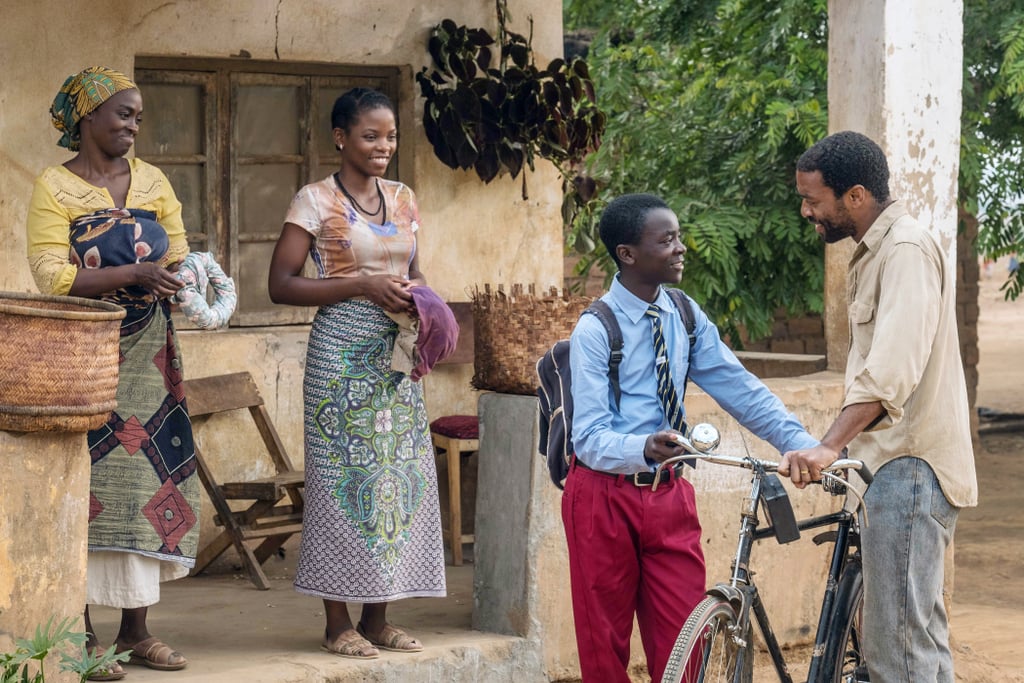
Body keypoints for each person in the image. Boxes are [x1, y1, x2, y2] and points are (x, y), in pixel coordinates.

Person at [565, 193, 819, 682]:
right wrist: (640, 447)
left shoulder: (683, 313)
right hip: (603, 496)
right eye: (667, 240)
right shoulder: (596, 330)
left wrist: (801, 442)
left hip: (670, 493)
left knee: (686, 640)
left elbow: (740, 389)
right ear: (628, 253)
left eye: (679, 236)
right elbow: (590, 437)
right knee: (604, 646)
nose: (681, 248)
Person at [780, 130, 978, 683]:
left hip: (909, 468)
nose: (805, 211)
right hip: (891, 468)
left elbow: (891, 370)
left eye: (814, 200)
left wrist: (828, 445)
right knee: (915, 641)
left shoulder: (906, 250)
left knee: (897, 654)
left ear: (856, 196)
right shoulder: (876, 252)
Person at [26, 66, 198, 680]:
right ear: (89, 116)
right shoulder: (55, 185)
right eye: (124, 114)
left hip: (151, 356)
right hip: (84, 353)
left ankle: (138, 630)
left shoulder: (152, 180)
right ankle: (85, 633)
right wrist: (132, 274)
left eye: (138, 117)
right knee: (86, 485)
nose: (133, 126)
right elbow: (51, 274)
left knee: (149, 484)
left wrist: (189, 279)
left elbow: (176, 252)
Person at [267, 87, 446, 660]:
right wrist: (363, 284)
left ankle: (378, 617)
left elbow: (414, 268)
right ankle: (335, 622)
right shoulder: (314, 200)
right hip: (340, 355)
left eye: (390, 136)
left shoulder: (404, 197)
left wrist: (413, 295)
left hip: (396, 358)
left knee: (396, 479)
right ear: (341, 137)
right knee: (343, 485)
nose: (383, 146)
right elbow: (281, 285)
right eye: (370, 135)